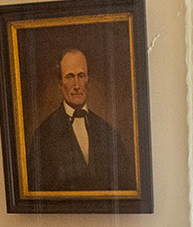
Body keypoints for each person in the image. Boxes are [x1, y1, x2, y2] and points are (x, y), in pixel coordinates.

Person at [26, 49, 133, 193]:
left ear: (88, 80)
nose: (76, 85)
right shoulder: (43, 135)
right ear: (59, 83)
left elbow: (124, 187)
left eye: (81, 76)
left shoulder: (109, 132)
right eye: (69, 77)